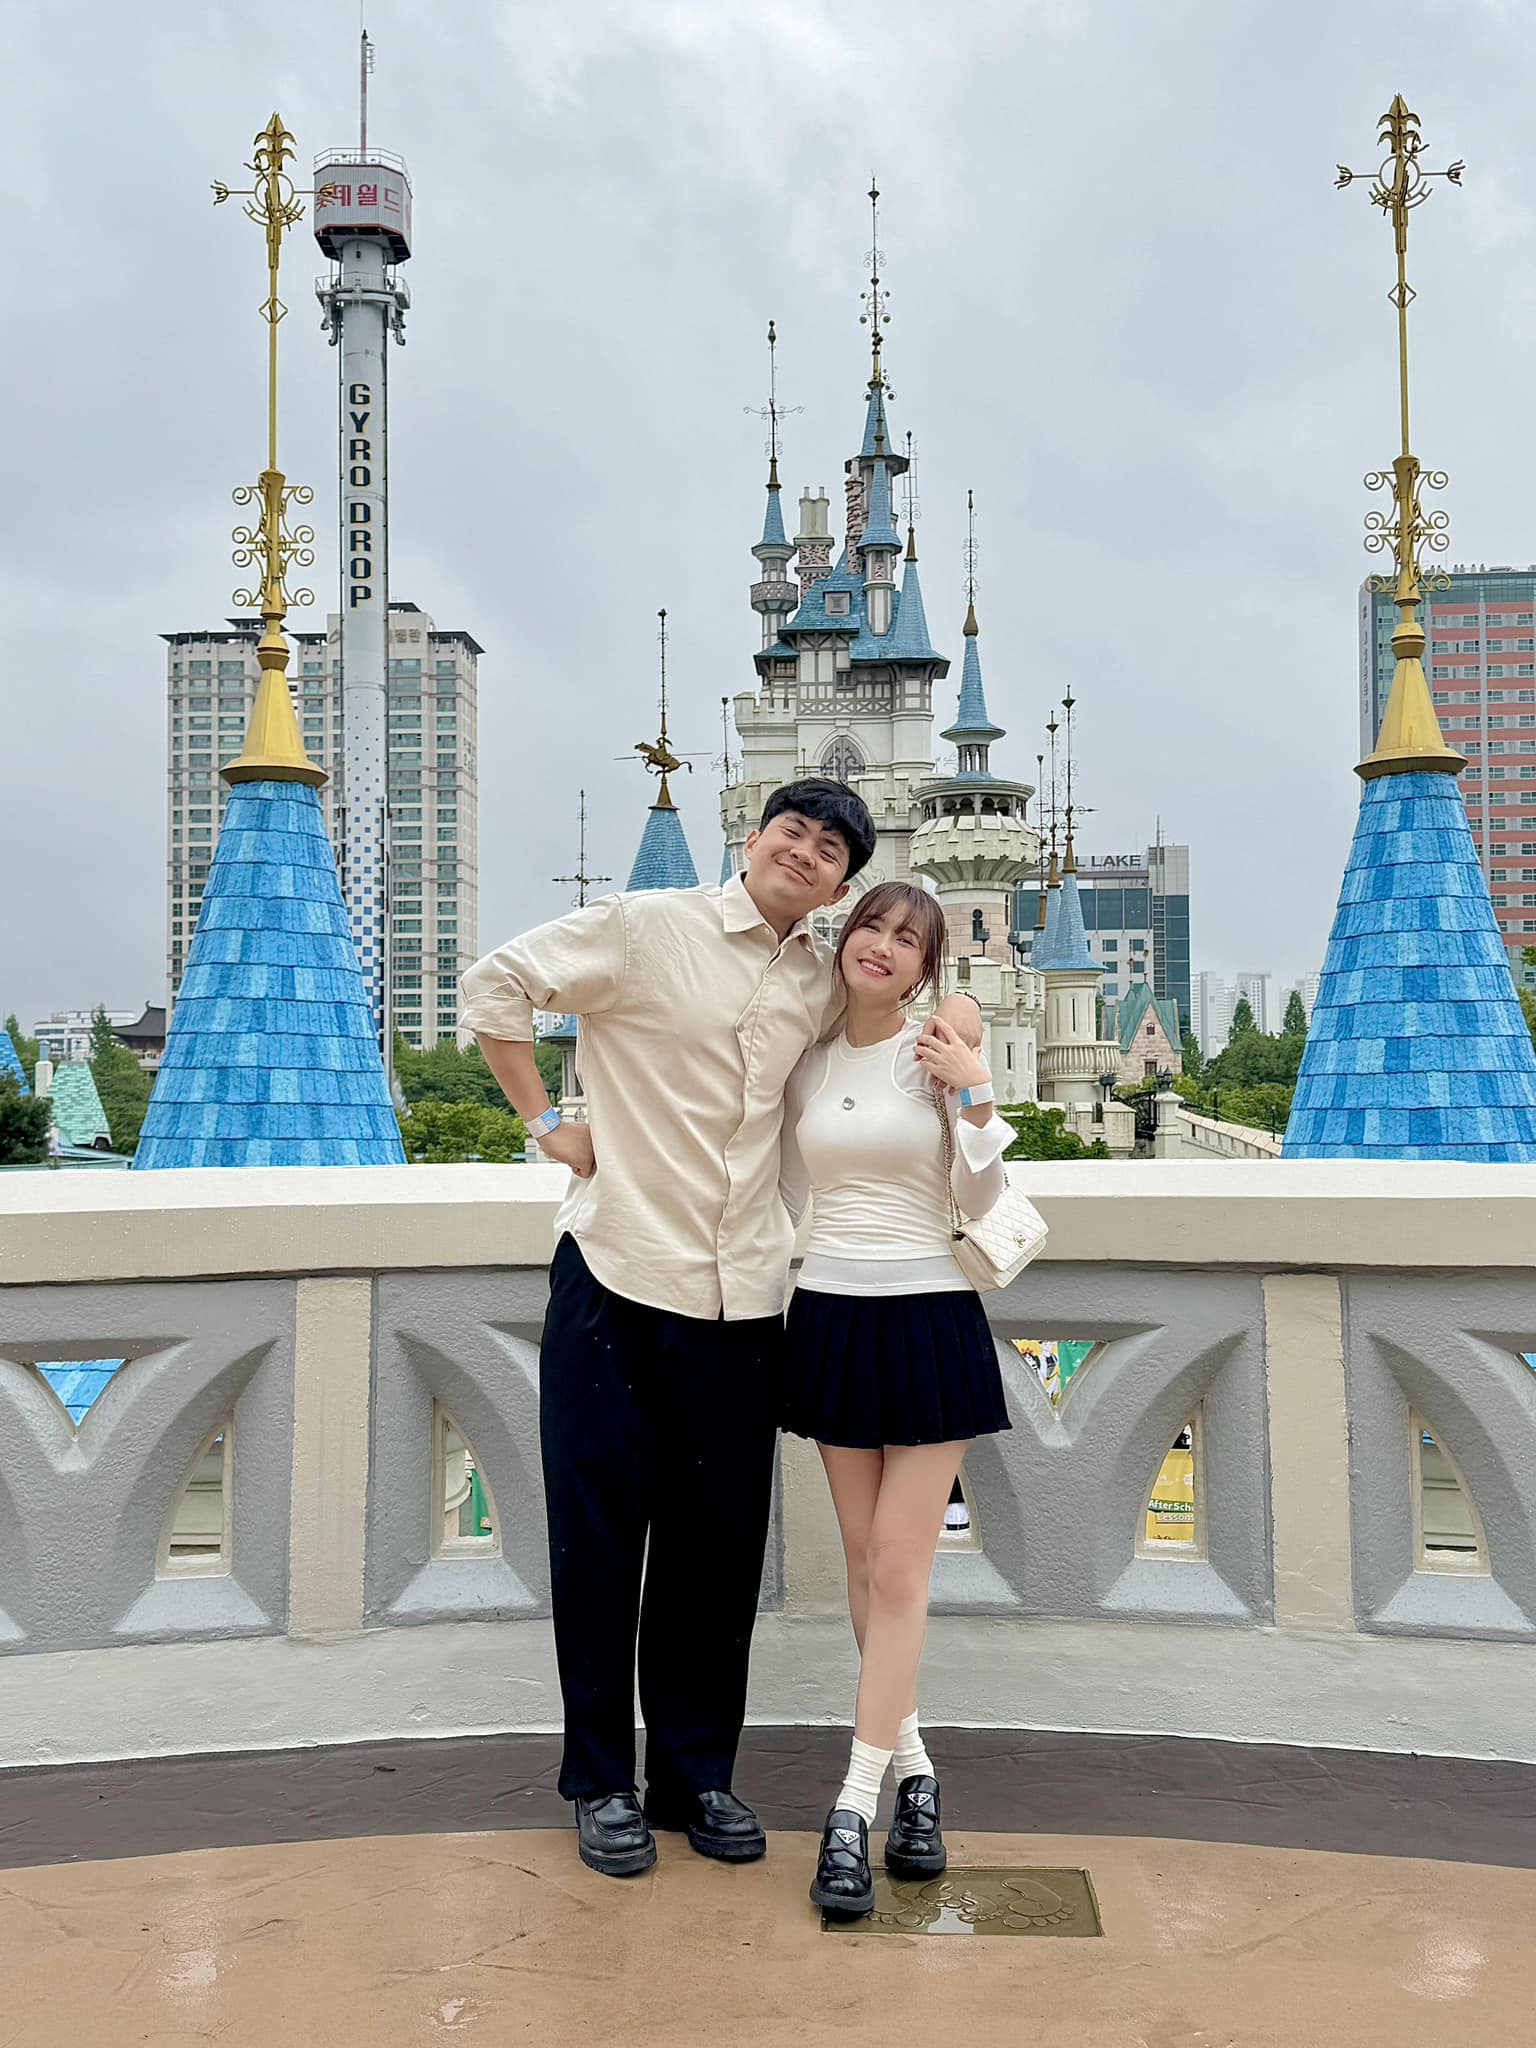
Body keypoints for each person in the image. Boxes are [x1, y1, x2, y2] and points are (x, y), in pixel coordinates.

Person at [459, 781, 983, 1879]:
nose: (807, 851)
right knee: (599, 1539)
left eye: (831, 847)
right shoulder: (648, 926)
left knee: (717, 1551)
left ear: (839, 886)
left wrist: (968, 1033)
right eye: (794, 830)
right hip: (618, 1270)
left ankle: (694, 1773)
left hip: (745, 1298)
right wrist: (549, 1125)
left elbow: (893, 1026)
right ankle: (601, 1781)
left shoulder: (821, 978)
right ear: (754, 836)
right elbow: (495, 984)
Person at [778, 880, 1014, 1919]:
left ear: (928, 964)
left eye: (906, 939)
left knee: (901, 1564)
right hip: (831, 1310)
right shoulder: (810, 1057)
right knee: (863, 1561)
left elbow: (982, 1199)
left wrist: (976, 1092)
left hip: (929, 1314)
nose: (881, 945)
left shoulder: (938, 1049)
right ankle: (917, 1775)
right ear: (845, 938)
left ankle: (853, 1805)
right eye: (870, 925)